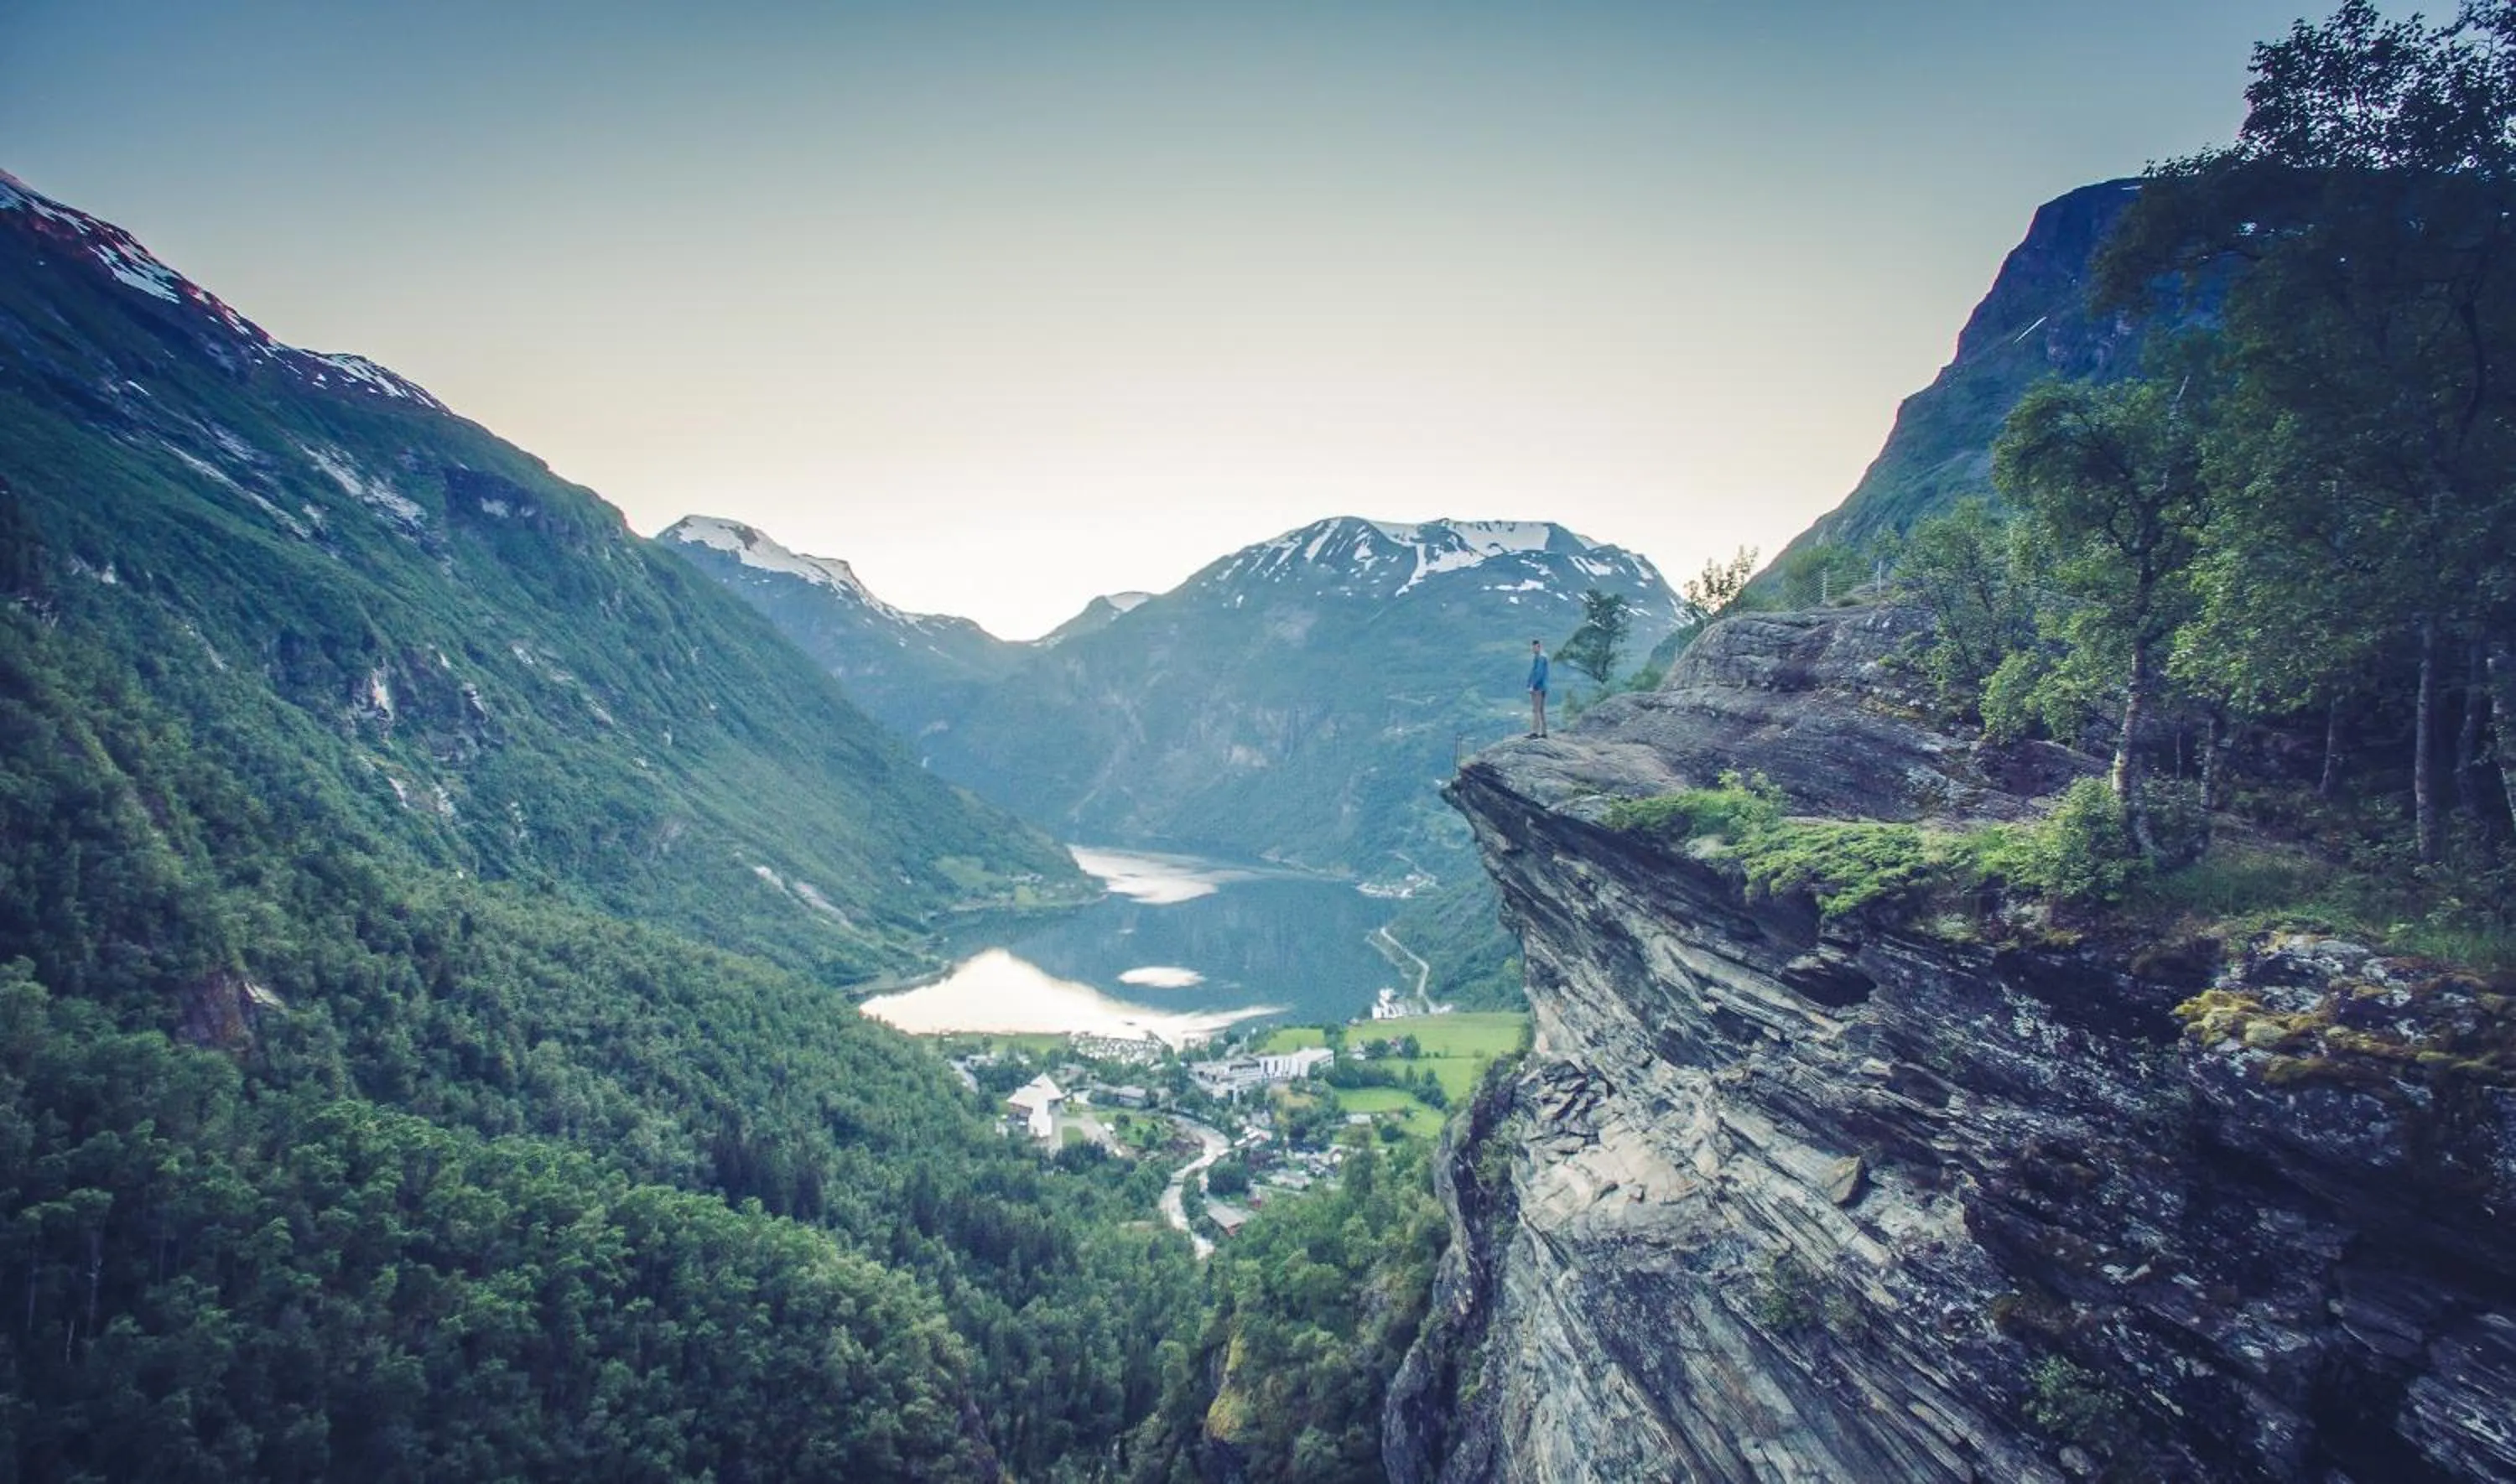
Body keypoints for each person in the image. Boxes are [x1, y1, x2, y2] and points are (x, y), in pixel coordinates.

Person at [1526, 639, 1550, 738]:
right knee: (1541, 710)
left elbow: (1538, 673)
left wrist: (1532, 685)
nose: (1532, 649)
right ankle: (1544, 732)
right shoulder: (1542, 657)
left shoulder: (1540, 658)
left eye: (1534, 647)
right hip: (1544, 687)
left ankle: (1535, 732)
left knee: (1536, 710)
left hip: (1538, 687)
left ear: (1539, 646)